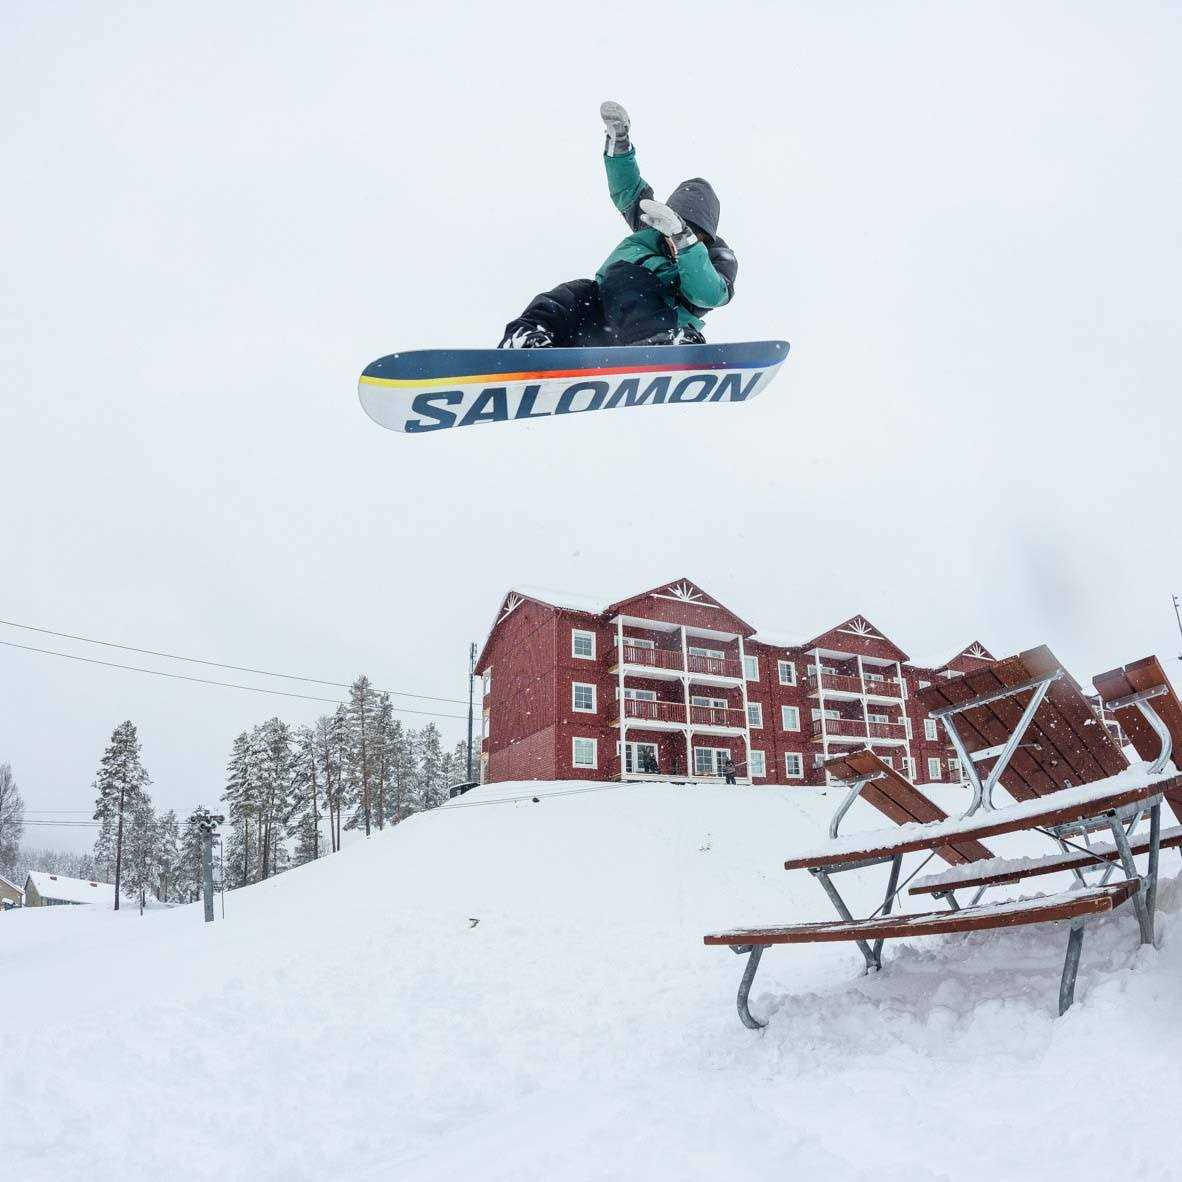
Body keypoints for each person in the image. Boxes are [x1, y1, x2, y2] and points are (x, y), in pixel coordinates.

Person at [499, 101, 738, 350]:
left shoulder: (718, 257)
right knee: (571, 294)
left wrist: (683, 239)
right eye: (671, 229)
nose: (671, 239)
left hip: (657, 321)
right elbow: (628, 189)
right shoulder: (651, 228)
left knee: (628, 277)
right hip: (603, 315)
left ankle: (659, 343)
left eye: (691, 232)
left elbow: (708, 293)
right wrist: (619, 142)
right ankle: (528, 338)